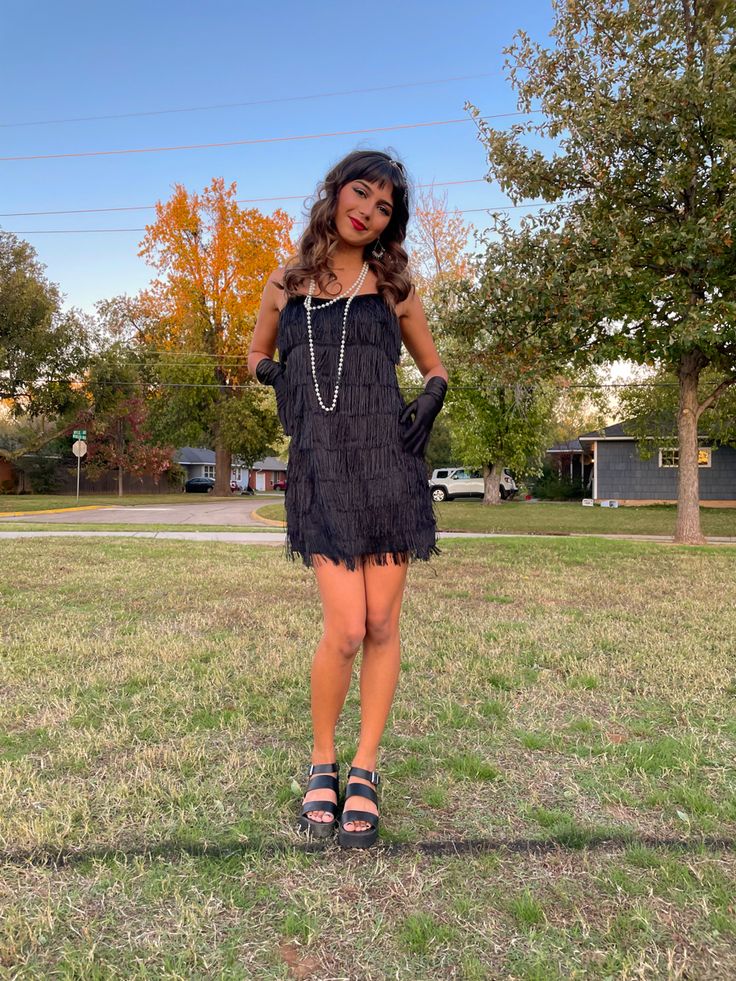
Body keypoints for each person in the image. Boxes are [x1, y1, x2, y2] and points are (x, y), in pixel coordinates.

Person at [248, 148, 448, 849]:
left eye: (384, 206)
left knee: (384, 624)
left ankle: (365, 767)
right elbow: (255, 352)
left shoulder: (393, 284)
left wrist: (433, 393)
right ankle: (322, 761)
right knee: (346, 628)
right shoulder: (286, 282)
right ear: (335, 194)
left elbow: (433, 362)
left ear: (390, 224)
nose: (367, 209)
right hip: (324, 471)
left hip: (389, 469)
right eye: (360, 193)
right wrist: (274, 374)